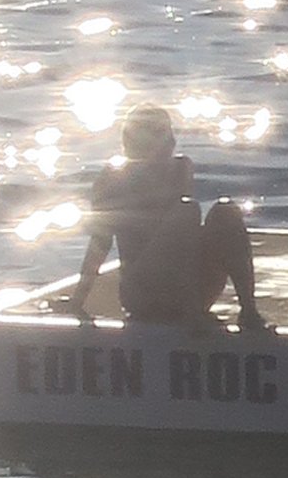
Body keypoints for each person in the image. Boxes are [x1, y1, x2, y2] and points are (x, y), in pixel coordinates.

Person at [64, 102, 265, 329]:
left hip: (191, 289)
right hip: (144, 294)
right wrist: (77, 300)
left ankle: (248, 311)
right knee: (187, 211)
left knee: (225, 211)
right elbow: (99, 244)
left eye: (164, 133)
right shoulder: (112, 179)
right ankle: (191, 315)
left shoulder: (181, 169)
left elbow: (183, 245)